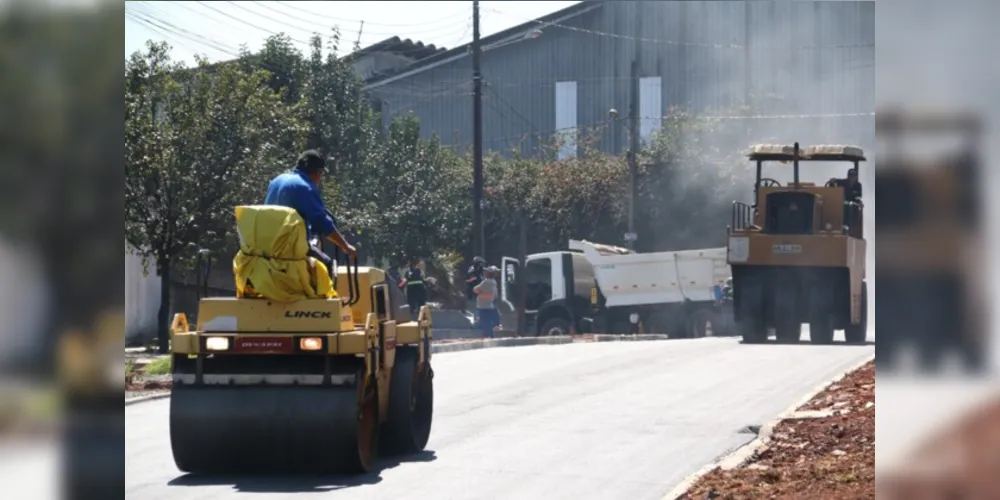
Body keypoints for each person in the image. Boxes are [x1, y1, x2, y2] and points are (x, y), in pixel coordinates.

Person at [264, 150, 356, 270]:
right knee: (326, 264)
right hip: (288, 248)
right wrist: (345, 245)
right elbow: (322, 223)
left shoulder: (277, 180)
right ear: (318, 172)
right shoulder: (305, 187)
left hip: (266, 244)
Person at [473, 266, 500, 338]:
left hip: (483, 306)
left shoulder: (486, 282)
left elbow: (475, 289)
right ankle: (488, 336)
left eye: (486, 272)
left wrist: (481, 293)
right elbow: (495, 295)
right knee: (486, 321)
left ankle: (489, 336)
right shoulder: (494, 282)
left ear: (489, 273)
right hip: (489, 305)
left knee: (485, 322)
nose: (484, 272)